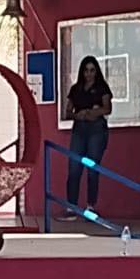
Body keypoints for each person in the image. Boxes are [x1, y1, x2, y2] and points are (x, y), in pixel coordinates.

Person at [60, 56, 113, 217]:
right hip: (79, 130)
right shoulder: (75, 89)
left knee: (92, 168)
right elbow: (67, 112)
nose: (89, 74)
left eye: (92, 70)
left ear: (96, 72)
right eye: (86, 70)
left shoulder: (102, 87)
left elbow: (107, 109)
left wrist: (93, 112)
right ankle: (71, 206)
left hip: (96, 130)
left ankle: (90, 206)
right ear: (82, 72)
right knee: (74, 168)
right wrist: (78, 115)